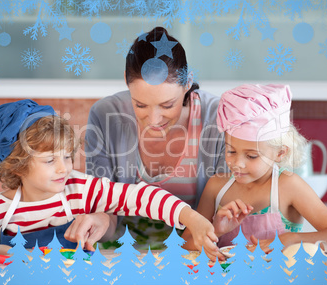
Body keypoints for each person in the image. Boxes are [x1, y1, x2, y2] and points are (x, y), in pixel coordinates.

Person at [0, 99, 220, 258]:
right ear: (16, 166)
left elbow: (140, 196)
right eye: (50, 161)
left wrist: (190, 217)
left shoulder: (79, 190)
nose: (64, 168)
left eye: (68, 156)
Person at [85, 26, 227, 248]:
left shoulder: (218, 118)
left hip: (193, 252)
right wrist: (99, 219)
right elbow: (104, 202)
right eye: (140, 104)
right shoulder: (104, 115)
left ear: (188, 82)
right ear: (125, 80)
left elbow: (221, 214)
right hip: (122, 254)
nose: (153, 119)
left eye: (167, 105)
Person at [182, 84, 327, 259]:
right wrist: (215, 230)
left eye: (252, 156)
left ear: (280, 153)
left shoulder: (289, 185)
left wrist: (292, 239)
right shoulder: (217, 186)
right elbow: (185, 245)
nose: (237, 163)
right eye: (231, 151)